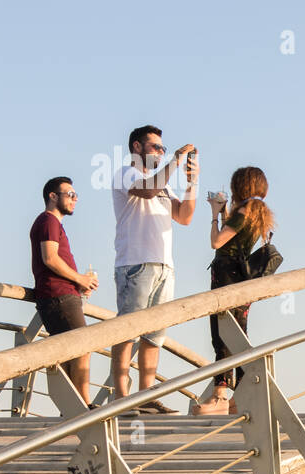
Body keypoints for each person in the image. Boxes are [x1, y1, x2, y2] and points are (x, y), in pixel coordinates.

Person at [110, 125, 197, 412]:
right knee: (127, 331)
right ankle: (122, 398)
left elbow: (183, 217)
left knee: (154, 336)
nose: (160, 151)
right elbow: (146, 192)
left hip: (164, 265)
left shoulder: (165, 183)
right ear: (137, 147)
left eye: (163, 147)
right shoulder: (127, 173)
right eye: (155, 147)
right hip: (134, 263)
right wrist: (174, 161)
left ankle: (146, 395)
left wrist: (191, 182)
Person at [193, 166, 276, 415]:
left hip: (226, 274)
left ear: (239, 187)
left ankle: (219, 394)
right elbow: (238, 238)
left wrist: (215, 215)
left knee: (221, 334)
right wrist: (226, 210)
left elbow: (217, 241)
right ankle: (241, 394)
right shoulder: (258, 211)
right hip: (242, 277)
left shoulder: (243, 212)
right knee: (238, 334)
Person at [29, 177, 100, 400]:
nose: (74, 199)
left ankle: (73, 409)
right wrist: (79, 278)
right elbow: (50, 258)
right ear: (53, 196)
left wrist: (79, 284)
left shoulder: (52, 223)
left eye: (76, 195)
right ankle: (83, 406)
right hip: (58, 296)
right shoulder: (48, 221)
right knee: (82, 347)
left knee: (73, 351)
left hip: (62, 295)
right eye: (69, 194)